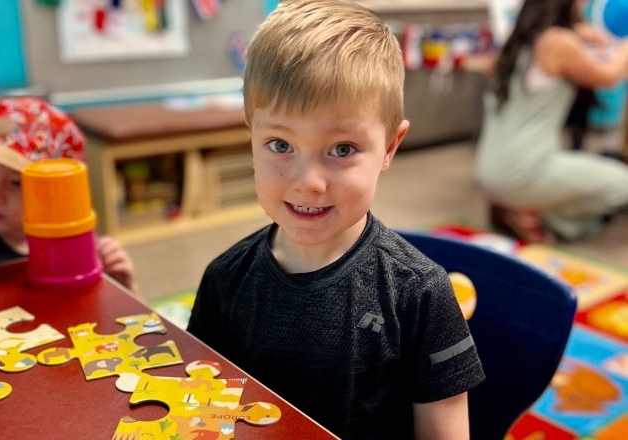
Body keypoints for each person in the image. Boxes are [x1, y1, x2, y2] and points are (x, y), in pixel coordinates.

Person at [186, 1, 485, 439]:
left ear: (390, 146)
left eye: (342, 149)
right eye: (279, 144)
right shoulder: (224, 279)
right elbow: (204, 411)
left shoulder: (420, 293)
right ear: (249, 135)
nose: (308, 183)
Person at [0, 97, 139, 295]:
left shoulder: (77, 244)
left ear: (58, 193)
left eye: (15, 183)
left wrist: (122, 286)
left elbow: (117, 316)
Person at [476, 0, 628, 243]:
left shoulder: (518, 40)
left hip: (488, 169)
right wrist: (624, 47)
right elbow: (607, 77)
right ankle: (538, 217)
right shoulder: (559, 42)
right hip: (524, 170)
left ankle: (518, 206)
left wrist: (579, 30)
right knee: (623, 184)